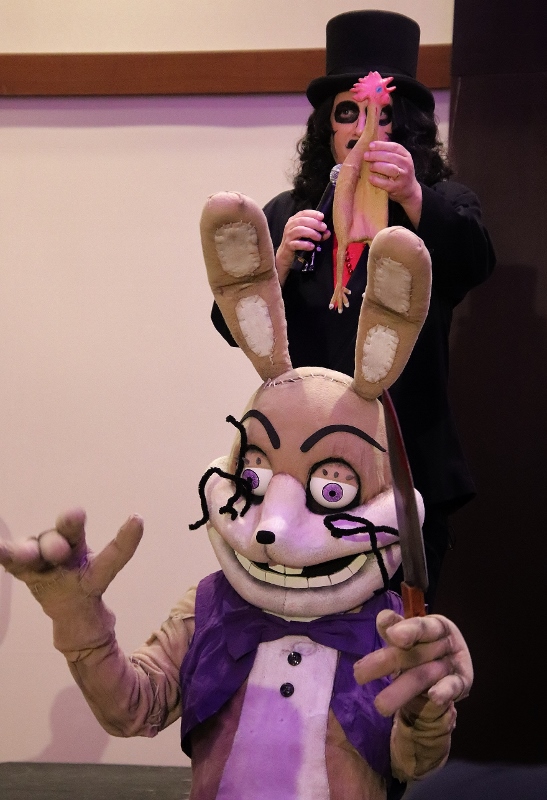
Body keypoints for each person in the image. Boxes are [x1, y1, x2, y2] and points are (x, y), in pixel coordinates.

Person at [211, 9, 496, 608]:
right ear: (327, 127)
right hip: (299, 465)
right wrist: (279, 260)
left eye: (380, 114)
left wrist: (412, 195)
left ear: (406, 126)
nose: (362, 128)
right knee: (297, 622)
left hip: (405, 454)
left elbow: (474, 263)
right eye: (348, 113)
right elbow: (231, 323)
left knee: (395, 629)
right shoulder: (291, 209)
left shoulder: (440, 202)